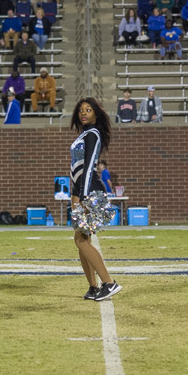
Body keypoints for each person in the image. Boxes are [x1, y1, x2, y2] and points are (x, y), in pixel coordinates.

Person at [68, 98, 120, 302]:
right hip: (80, 190)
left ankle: (109, 282)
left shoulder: (93, 134)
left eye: (88, 110)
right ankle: (93, 287)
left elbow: (89, 166)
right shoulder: (83, 134)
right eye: (81, 110)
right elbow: (76, 167)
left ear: (96, 114)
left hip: (90, 192)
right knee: (81, 239)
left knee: (81, 239)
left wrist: (83, 195)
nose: (84, 113)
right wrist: (75, 192)